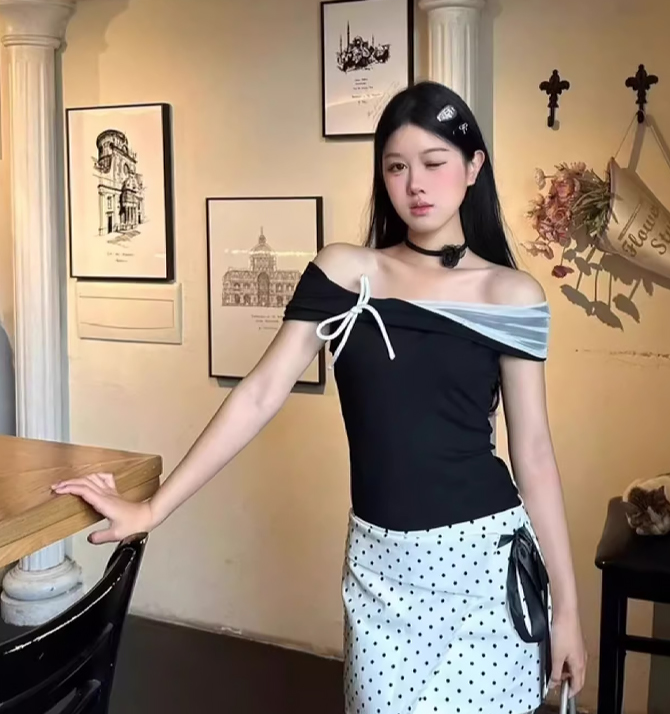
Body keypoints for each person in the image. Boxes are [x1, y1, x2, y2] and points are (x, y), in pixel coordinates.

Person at [53, 80, 587, 713]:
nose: (415, 184)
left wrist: (568, 610)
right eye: (396, 166)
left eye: (434, 162)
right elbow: (259, 393)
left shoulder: (512, 295)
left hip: (483, 566)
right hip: (380, 573)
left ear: (473, 167)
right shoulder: (345, 273)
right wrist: (152, 509)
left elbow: (533, 453)